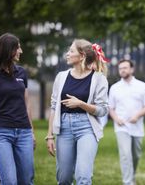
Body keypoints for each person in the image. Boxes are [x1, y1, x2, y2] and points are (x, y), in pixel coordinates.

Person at [46, 39, 109, 185]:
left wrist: (81, 104)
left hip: (87, 128)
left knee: (83, 177)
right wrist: (49, 135)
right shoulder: (61, 77)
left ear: (82, 56)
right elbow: (54, 106)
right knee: (64, 178)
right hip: (64, 128)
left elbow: (102, 110)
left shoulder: (98, 78)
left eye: (71, 51)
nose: (67, 54)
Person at [0, 33, 35, 184]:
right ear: (8, 50)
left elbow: (26, 103)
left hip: (24, 133)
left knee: (26, 180)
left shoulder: (22, 72)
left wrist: (32, 132)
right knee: (9, 181)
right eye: (18, 48)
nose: (21, 51)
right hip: (1, 133)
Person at [109, 59, 145, 185]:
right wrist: (116, 118)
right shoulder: (114, 88)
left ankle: (131, 176)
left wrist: (137, 115)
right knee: (125, 155)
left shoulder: (142, 86)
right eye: (120, 68)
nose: (122, 70)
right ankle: (128, 182)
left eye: (125, 67)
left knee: (136, 155)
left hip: (137, 127)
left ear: (132, 69)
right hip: (121, 127)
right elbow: (110, 108)